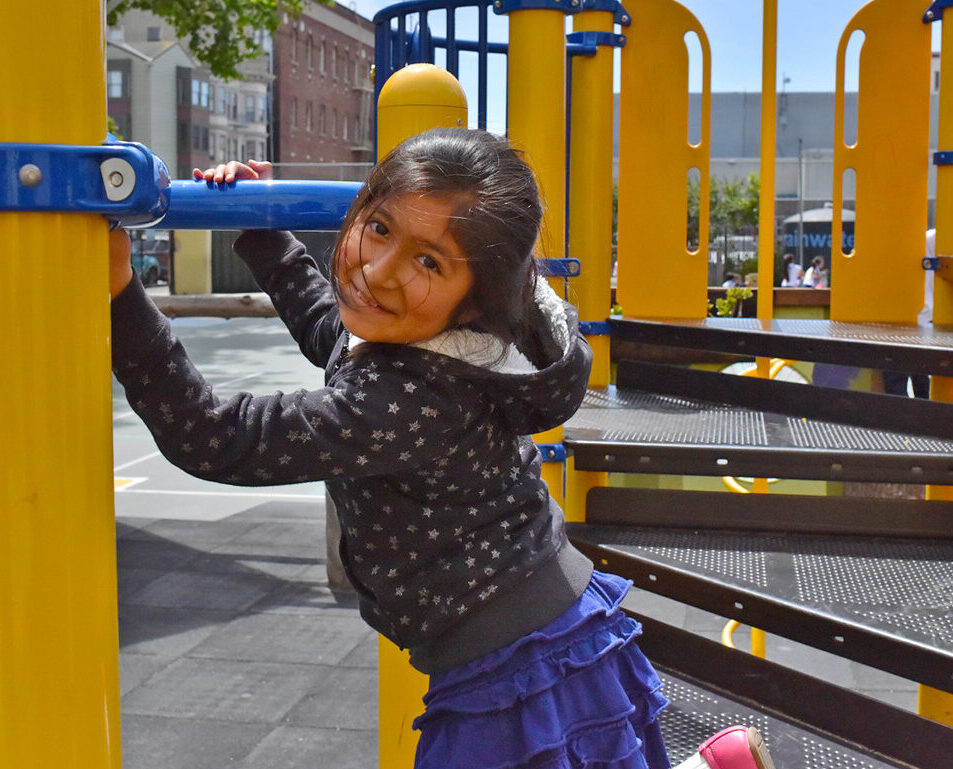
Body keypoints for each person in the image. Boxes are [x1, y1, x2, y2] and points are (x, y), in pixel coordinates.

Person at [109, 128, 775, 769]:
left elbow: (217, 437)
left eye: (427, 260)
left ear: (473, 301)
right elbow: (330, 331)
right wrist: (261, 223)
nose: (378, 270)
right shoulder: (433, 339)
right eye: (378, 228)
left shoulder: (409, 399)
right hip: (544, 620)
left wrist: (121, 296)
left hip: (513, 660)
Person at [883, 228, 934, 399]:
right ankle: (922, 417)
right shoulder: (932, 239)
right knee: (921, 376)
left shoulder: (927, 239)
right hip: (927, 317)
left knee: (895, 380)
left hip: (904, 318)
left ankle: (905, 420)